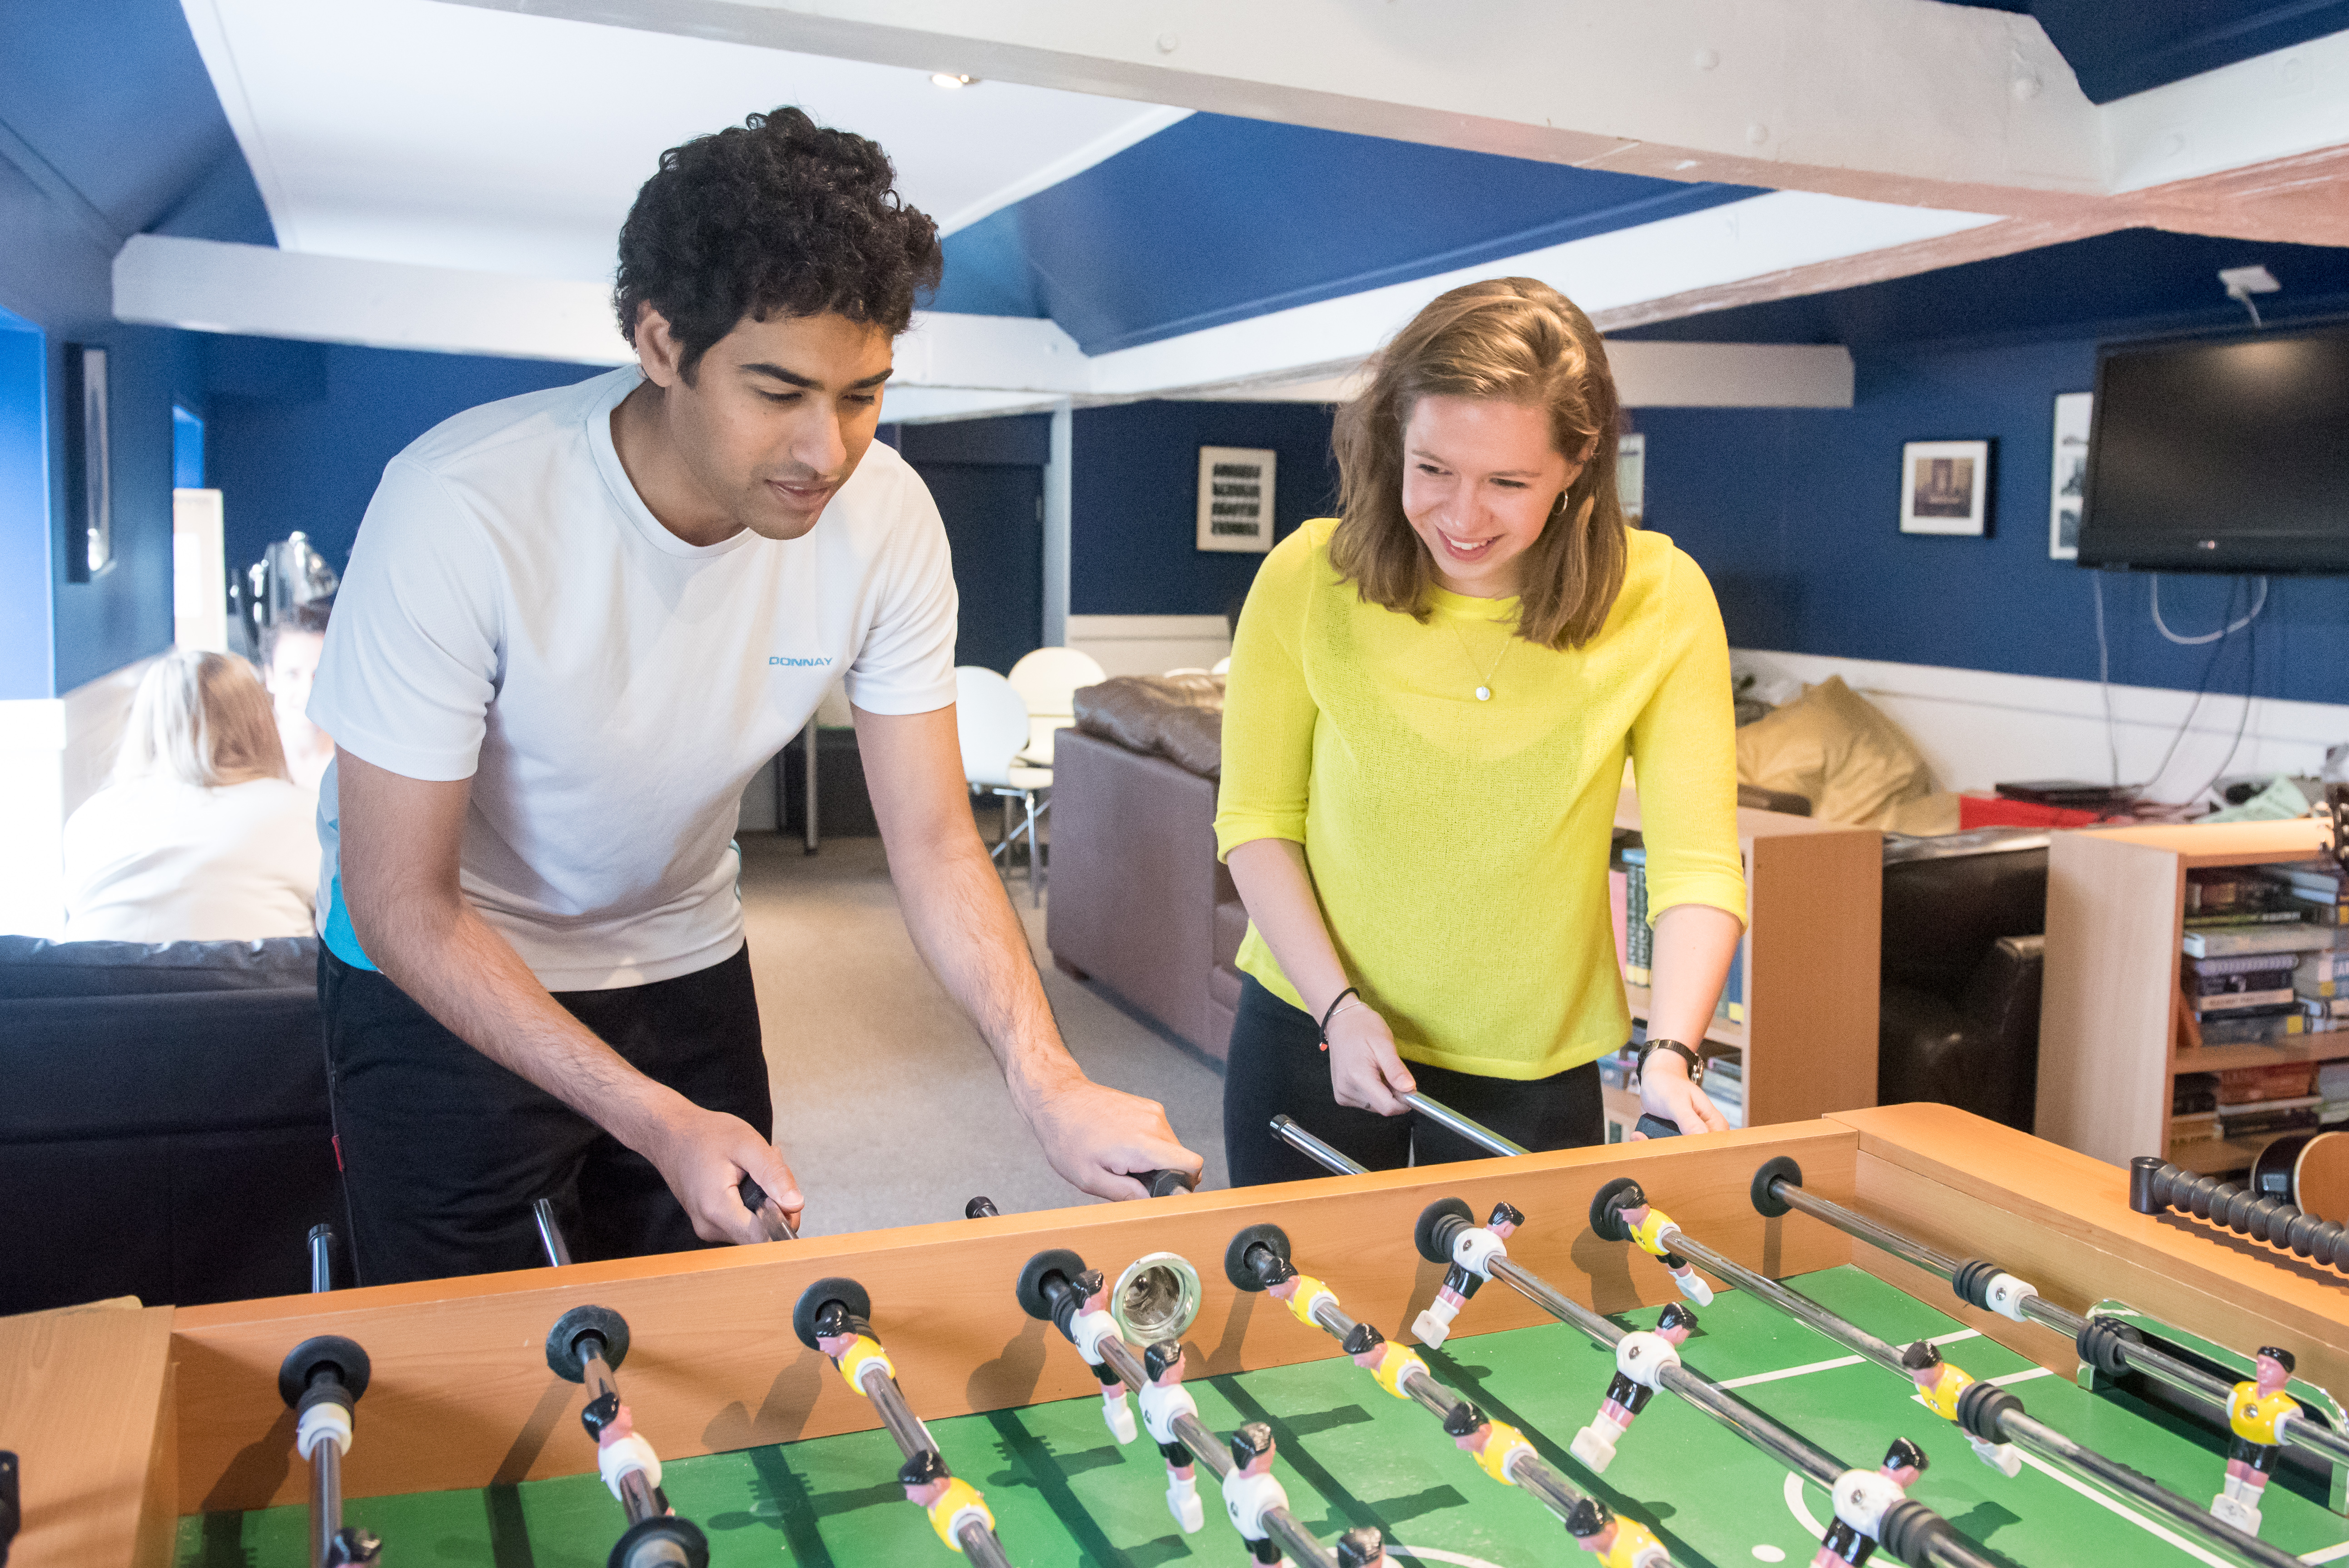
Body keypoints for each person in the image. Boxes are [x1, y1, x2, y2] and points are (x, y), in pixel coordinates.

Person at [308, 108, 1196, 1285]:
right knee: (471, 1376)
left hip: (681, 954)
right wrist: (656, 1117)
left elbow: (933, 842)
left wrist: (1050, 1079)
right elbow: (400, 902)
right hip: (444, 974)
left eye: (863, 396)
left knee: (714, 1320)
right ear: (660, 342)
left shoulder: (885, 520)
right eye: (778, 390)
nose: (824, 452)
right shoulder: (459, 508)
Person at [1214, 277, 1746, 1185]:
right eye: (1432, 470)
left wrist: (1672, 1053)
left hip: (1533, 1069)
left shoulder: (1661, 598)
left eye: (1506, 482)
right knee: (1307, 1323)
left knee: (1509, 1330)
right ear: (1394, 441)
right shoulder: (1306, 577)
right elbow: (1256, 820)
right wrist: (1336, 1007)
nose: (1461, 518)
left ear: (1577, 462)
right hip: (1313, 1024)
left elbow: (1695, 862)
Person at [63, 649, 318, 942]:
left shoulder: (89, 821)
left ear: (147, 723)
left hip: (102, 987)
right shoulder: (305, 814)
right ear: (260, 721)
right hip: (257, 985)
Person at [261, 598, 335, 796]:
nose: (307, 692)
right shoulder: (248, 761)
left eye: (319, 675)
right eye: (292, 674)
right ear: (270, 678)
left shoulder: (359, 764)